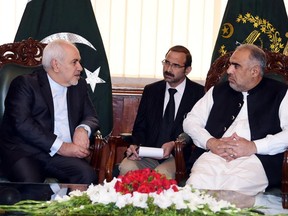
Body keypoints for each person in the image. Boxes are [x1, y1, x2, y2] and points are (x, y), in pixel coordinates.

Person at [183, 44, 288, 195]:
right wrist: (210, 142)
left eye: (236, 66)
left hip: (256, 159)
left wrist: (254, 146)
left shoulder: (280, 93)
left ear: (254, 71)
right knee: (193, 190)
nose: (228, 71)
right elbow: (191, 121)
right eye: (230, 64)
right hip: (214, 156)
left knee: (232, 194)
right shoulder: (218, 90)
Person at [0, 39, 99, 184]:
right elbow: (22, 124)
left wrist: (82, 129)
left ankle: (72, 208)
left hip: (60, 156)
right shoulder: (25, 84)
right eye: (74, 62)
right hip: (25, 152)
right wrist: (62, 147)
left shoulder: (79, 85)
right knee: (33, 187)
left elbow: (91, 116)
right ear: (56, 65)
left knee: (86, 175)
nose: (80, 68)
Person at [119, 45, 205, 179]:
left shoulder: (199, 93)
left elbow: (199, 131)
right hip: (147, 154)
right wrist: (135, 146)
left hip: (177, 156)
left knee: (161, 175)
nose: (168, 69)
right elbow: (140, 127)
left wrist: (175, 144)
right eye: (167, 63)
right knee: (126, 167)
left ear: (187, 70)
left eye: (175, 65)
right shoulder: (151, 90)